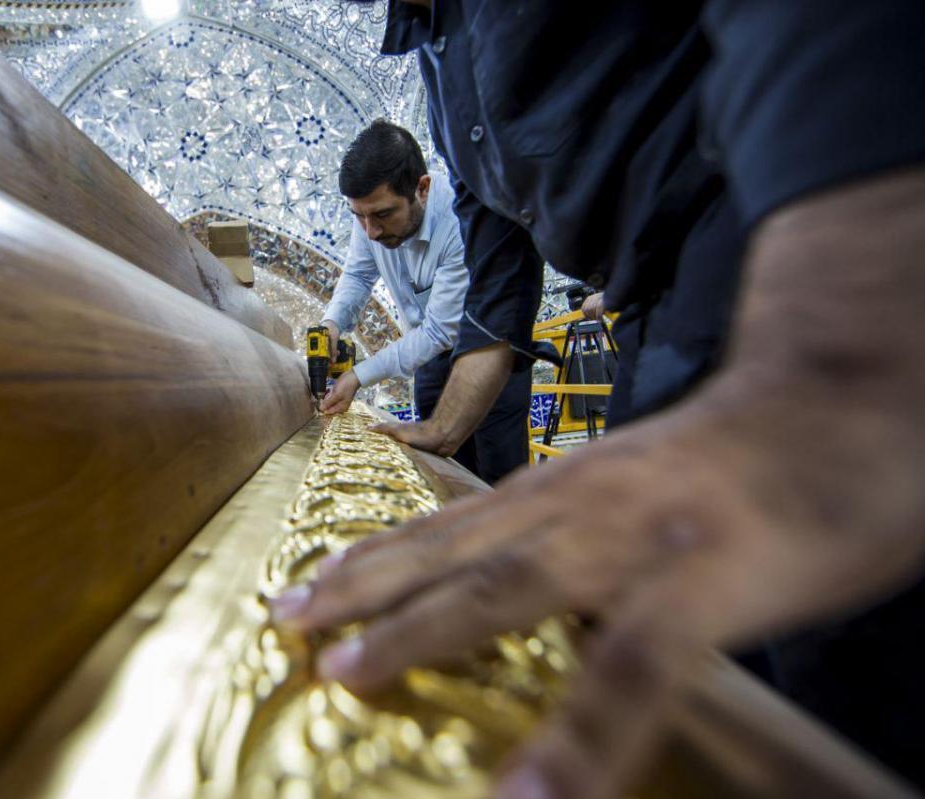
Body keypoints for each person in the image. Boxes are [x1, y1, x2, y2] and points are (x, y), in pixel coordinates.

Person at [275, 2, 925, 796]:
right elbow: (497, 258)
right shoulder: (436, 52)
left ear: (414, 191)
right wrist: (440, 428)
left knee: (831, 638)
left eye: (383, 214)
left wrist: (846, 330)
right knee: (671, 626)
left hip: (775, 265)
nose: (373, 231)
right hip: (655, 302)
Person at [320, 119, 538, 485]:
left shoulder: (459, 220)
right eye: (359, 217)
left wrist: (358, 376)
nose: (371, 232)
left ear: (422, 189)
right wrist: (332, 323)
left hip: (487, 357)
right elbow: (358, 275)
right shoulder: (370, 218)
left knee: (499, 482)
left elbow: (439, 331)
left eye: (383, 215)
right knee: (446, 477)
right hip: (431, 362)